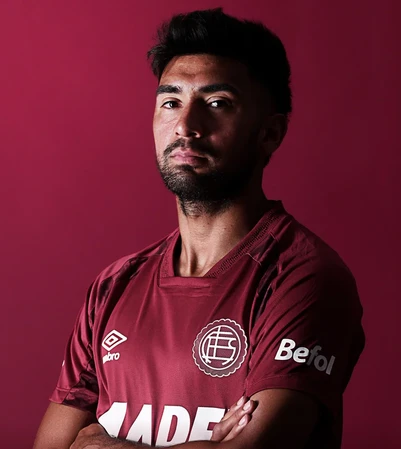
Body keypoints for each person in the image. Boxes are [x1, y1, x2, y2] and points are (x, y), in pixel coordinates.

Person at [33, 7, 365, 449]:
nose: (186, 126)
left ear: (269, 134)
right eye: (171, 102)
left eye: (217, 103)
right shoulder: (114, 285)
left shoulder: (303, 277)